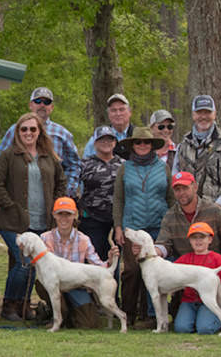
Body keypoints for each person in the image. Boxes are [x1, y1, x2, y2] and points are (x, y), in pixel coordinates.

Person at [0, 113, 67, 321]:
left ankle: (24, 306)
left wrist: (55, 204)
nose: (28, 133)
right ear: (18, 132)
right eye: (24, 129)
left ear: (39, 131)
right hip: (13, 222)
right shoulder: (8, 155)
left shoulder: (48, 156)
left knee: (32, 266)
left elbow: (61, 181)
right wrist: (10, 205)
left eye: (33, 129)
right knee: (23, 263)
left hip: (42, 222)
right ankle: (8, 306)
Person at [152, 171, 221, 327]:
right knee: (182, 327)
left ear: (195, 187)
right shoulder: (170, 215)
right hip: (187, 280)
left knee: (206, 326)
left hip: (215, 272)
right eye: (177, 190)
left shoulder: (214, 210)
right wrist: (152, 251)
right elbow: (164, 244)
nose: (181, 193)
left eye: (185, 188)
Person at [112, 128, 174, 328]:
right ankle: (128, 314)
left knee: (154, 271)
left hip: (158, 226)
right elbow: (119, 200)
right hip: (133, 227)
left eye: (146, 142)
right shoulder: (125, 168)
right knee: (131, 271)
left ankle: (151, 316)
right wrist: (119, 227)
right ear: (132, 145)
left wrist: (170, 227)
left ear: (152, 145)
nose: (142, 146)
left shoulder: (163, 168)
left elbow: (171, 199)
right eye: (138, 142)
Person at [37, 197, 120, 329]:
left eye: (68, 214)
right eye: (60, 214)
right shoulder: (44, 238)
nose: (64, 218)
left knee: (89, 324)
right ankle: (57, 315)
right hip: (54, 283)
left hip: (76, 286)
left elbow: (97, 266)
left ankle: (64, 315)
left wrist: (110, 260)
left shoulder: (84, 239)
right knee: (42, 283)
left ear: (75, 215)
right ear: (54, 215)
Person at [0, 87, 80, 197]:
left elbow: (74, 165)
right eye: (38, 101)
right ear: (30, 105)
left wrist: (66, 192)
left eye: (47, 102)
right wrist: (0, 199)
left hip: (52, 196)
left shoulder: (63, 133)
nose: (42, 105)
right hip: (19, 196)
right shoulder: (15, 130)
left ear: (52, 107)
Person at [172, 95, 221, 209]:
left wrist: (220, 204)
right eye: (199, 112)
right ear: (193, 115)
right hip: (187, 211)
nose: (203, 117)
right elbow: (175, 176)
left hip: (218, 211)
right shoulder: (183, 145)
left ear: (214, 114)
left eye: (207, 112)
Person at [172, 222, 221, 335]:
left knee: (205, 329)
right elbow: (171, 274)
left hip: (208, 302)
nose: (198, 241)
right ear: (189, 241)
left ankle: (218, 321)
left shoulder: (216, 258)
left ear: (210, 239)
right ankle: (197, 321)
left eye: (202, 237)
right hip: (188, 301)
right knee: (181, 329)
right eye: (194, 238)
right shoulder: (184, 259)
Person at [77, 126, 123, 261]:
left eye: (109, 139)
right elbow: (72, 186)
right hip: (91, 220)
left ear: (115, 142)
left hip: (115, 222)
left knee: (112, 260)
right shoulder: (84, 164)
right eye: (102, 140)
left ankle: (113, 283)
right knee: (92, 262)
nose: (106, 143)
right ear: (95, 143)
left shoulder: (123, 165)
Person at [82, 93, 135, 159]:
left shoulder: (140, 136)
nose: (118, 114)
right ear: (108, 114)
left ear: (130, 112)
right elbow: (85, 164)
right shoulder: (97, 138)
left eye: (122, 109)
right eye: (113, 110)